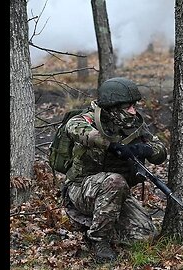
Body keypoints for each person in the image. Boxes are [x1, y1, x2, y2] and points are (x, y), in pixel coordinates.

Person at [61, 77, 168, 261]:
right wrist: (111, 145)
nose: (134, 111)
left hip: (114, 195)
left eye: (134, 106)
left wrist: (144, 149)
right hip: (80, 189)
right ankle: (98, 240)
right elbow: (73, 127)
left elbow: (160, 151)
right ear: (114, 108)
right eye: (129, 107)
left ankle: (98, 224)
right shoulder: (91, 118)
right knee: (115, 180)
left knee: (145, 235)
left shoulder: (134, 125)